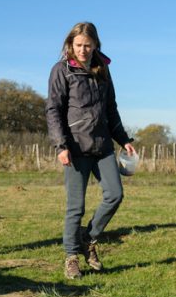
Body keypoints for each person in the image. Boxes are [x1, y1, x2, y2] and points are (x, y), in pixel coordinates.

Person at [46, 22, 136, 279]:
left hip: (103, 145)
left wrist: (123, 138)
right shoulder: (61, 71)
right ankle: (71, 257)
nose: (83, 50)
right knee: (76, 207)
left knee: (115, 195)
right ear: (70, 45)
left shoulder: (103, 70)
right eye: (78, 45)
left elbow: (111, 108)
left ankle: (89, 239)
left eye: (87, 45)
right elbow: (53, 110)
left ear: (95, 45)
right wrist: (61, 145)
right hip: (75, 147)